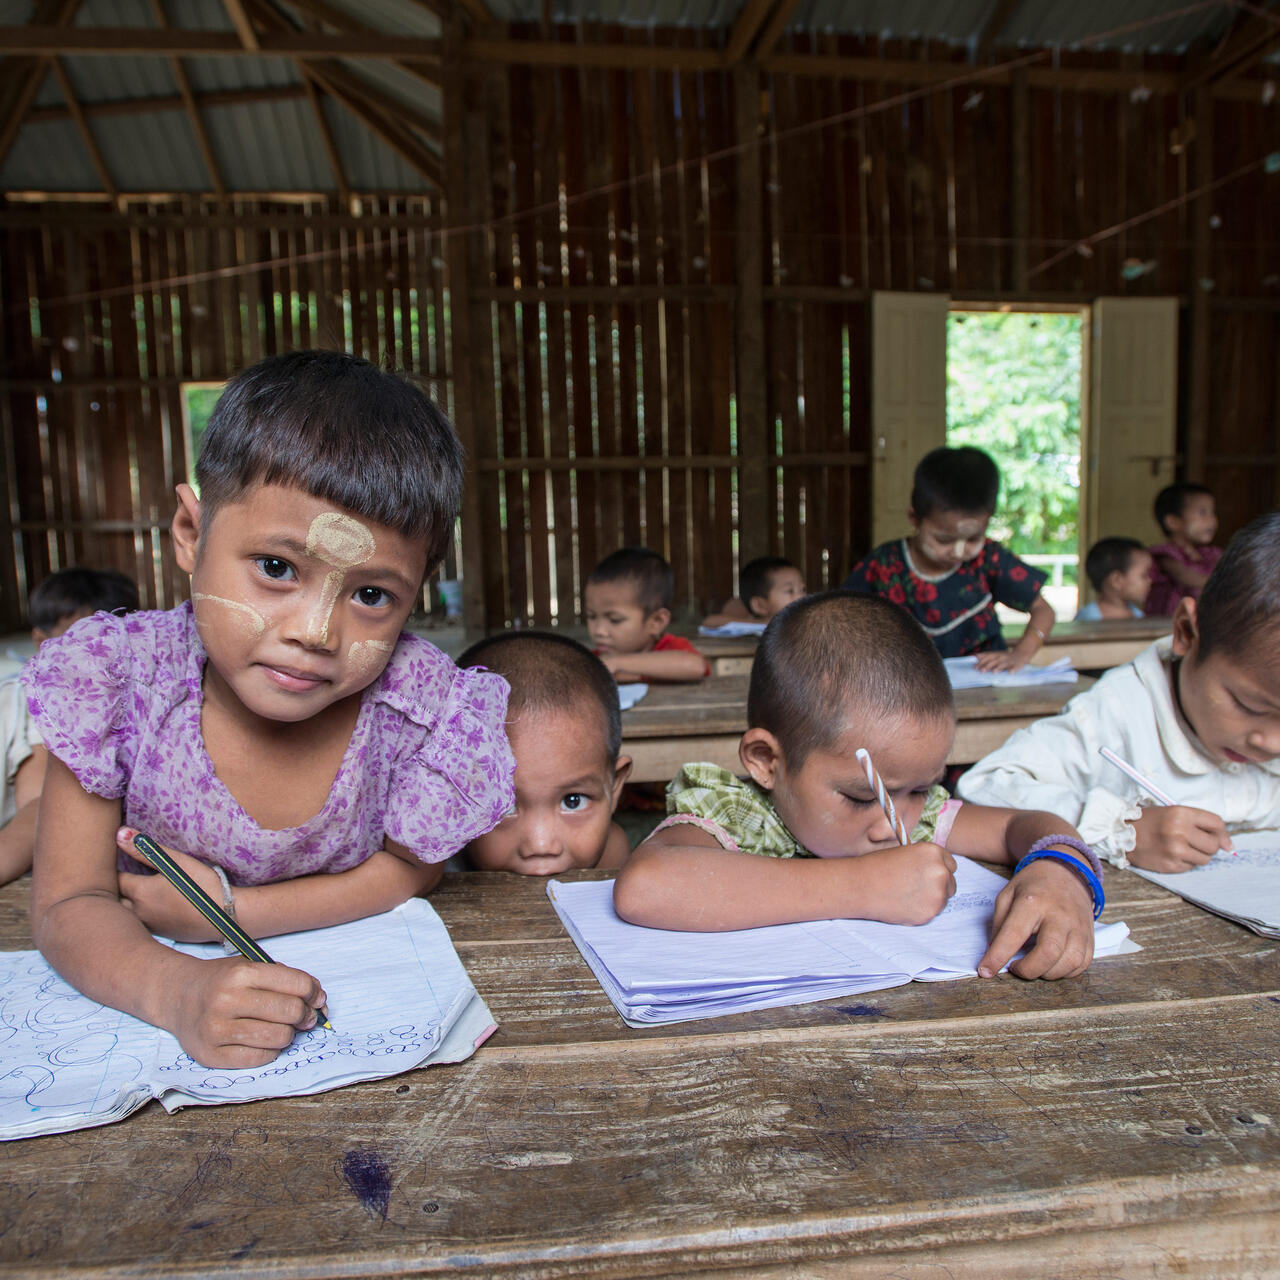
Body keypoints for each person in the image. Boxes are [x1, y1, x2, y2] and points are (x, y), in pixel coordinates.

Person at [24, 350, 516, 1069]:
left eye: (371, 595)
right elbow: (67, 903)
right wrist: (179, 991)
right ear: (191, 535)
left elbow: (412, 870)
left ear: (418, 594)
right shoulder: (120, 684)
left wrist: (235, 915)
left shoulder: (420, 708)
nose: (315, 633)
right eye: (278, 569)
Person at [613, 591, 1102, 980]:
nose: (893, 824)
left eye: (918, 788)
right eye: (862, 797)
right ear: (766, 762)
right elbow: (645, 886)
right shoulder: (735, 812)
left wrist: (1059, 872)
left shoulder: (916, 813)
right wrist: (862, 886)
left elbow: (1023, 824)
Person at [958, 512, 1280, 873]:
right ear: (1187, 632)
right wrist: (1122, 828)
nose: (1272, 743)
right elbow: (983, 787)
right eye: (1248, 704)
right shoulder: (1116, 712)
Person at [842, 446, 1055, 672]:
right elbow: (844, 620)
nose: (958, 551)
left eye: (973, 538)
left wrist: (1020, 654)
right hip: (907, 690)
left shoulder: (989, 558)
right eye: (944, 540)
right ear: (914, 518)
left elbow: (1044, 610)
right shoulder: (883, 565)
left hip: (985, 685)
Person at [0, 567, 140, 886]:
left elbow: (38, 807)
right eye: (79, 641)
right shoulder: (43, 696)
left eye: (109, 640)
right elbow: (37, 806)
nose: (95, 654)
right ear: (40, 642)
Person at [456, 632, 632, 875]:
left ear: (614, 786)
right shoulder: (429, 868)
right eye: (504, 807)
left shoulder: (611, 858)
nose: (541, 845)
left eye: (573, 801)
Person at [585, 548, 708, 683]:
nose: (599, 631)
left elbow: (695, 666)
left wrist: (616, 663)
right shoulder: (591, 661)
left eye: (615, 620)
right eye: (592, 616)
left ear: (656, 621)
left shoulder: (670, 648)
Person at [1146, 482, 1221, 617]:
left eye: (1213, 512)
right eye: (1203, 513)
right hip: (1167, 624)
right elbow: (1185, 576)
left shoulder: (1211, 553)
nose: (1212, 520)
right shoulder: (1165, 554)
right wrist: (1226, 583)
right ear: (1173, 522)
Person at [701, 556, 806, 629]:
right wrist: (762, 623)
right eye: (789, 591)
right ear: (759, 605)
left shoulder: (808, 619)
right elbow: (710, 621)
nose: (801, 596)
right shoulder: (752, 623)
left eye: (802, 589)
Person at [1074, 537, 1152, 621]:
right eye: (1144, 575)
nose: (1150, 580)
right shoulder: (1087, 618)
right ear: (1117, 580)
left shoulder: (1139, 615)